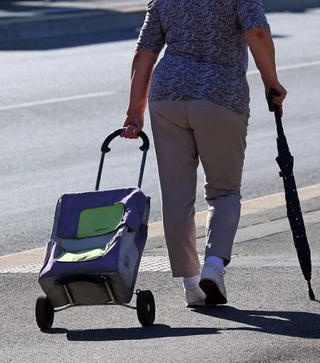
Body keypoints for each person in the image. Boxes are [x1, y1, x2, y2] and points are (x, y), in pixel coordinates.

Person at [121, 0, 287, 307]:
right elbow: (258, 33)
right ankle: (213, 265)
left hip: (168, 95)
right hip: (220, 95)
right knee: (224, 191)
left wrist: (134, 111)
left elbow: (144, 53)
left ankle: (191, 284)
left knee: (176, 196)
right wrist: (271, 82)